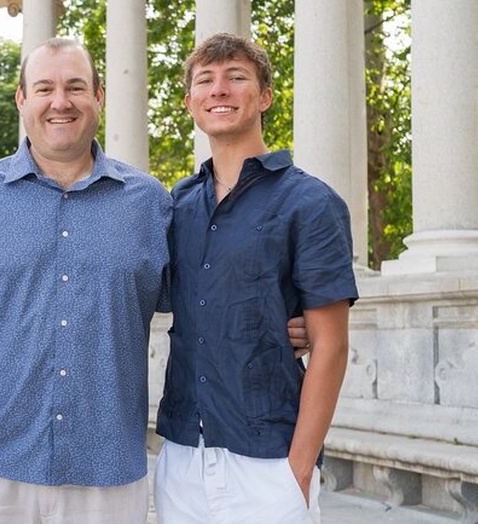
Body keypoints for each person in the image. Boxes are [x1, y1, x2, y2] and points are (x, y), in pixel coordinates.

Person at [0, 38, 171, 523]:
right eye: (44, 88)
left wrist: (282, 319)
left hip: (108, 479)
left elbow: (204, 302)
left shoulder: (149, 203)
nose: (61, 102)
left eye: (76, 87)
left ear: (99, 95)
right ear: (22, 99)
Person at [154, 33, 358, 524]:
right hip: (182, 454)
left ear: (264, 96)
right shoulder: (175, 205)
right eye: (206, 81)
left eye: (236, 77)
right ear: (190, 103)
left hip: (270, 460)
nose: (219, 89)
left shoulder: (311, 203)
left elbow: (331, 345)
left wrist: (299, 471)